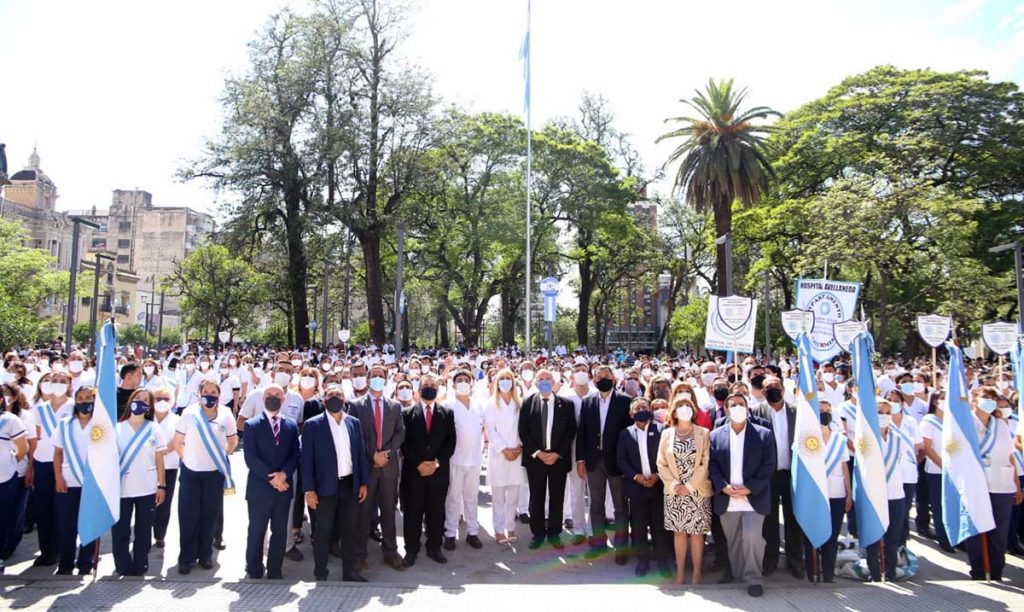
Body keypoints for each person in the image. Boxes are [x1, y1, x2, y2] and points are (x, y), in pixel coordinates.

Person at [709, 393, 776, 598]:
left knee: (752, 537)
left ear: (747, 408)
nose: (737, 407)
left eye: (741, 404)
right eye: (733, 405)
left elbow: (769, 465)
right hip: (727, 498)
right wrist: (722, 486)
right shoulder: (715, 435)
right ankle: (739, 575)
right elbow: (712, 464)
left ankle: (754, 578)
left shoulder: (763, 434)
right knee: (734, 541)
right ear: (726, 410)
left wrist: (750, 487)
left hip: (752, 498)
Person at [301, 384, 369, 582]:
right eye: (331, 395)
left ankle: (350, 572)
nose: (335, 398)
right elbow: (306, 460)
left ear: (344, 399)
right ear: (323, 400)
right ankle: (320, 573)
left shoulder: (353, 423)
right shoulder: (313, 425)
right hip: (324, 487)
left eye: (339, 394)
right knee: (323, 531)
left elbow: (360, 455)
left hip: (349, 485)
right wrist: (309, 490)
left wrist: (363, 483)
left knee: (350, 531)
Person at [173, 379, 238, 575]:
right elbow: (178, 441)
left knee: (209, 516)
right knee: (188, 516)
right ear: (200, 394)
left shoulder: (226, 414)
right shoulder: (189, 413)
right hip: (191, 473)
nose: (209, 395)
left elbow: (233, 441)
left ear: (219, 394)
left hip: (214, 474)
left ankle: (205, 555)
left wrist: (222, 457)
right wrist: (187, 459)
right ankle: (186, 558)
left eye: (213, 392)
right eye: (206, 391)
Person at [350, 364, 406, 571]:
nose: (377, 379)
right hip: (367, 466)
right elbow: (354, 434)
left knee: (389, 510)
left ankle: (390, 551)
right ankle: (359, 554)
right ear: (367, 379)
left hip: (388, 466)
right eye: (373, 375)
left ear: (386, 379)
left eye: (381, 376)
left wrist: (387, 453)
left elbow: (400, 432)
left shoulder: (395, 406)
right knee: (363, 511)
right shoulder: (356, 405)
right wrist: (373, 454)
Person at [964, 386, 1023, 581]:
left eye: (992, 398)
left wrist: (1016, 483)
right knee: (977, 529)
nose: (989, 401)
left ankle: (996, 570)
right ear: (975, 400)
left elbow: (1009, 456)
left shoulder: (1001, 425)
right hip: (975, 484)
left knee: (999, 531)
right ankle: (979, 570)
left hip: (1002, 483)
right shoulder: (965, 423)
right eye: (985, 397)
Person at [243, 383, 300, 580]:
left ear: (283, 399)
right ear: (262, 398)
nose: (273, 397)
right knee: (257, 530)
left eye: (277, 395)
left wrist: (283, 474)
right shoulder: (252, 425)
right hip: (260, 488)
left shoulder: (291, 425)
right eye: (269, 394)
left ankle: (275, 570)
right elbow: (251, 458)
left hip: (284, 488)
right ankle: (254, 569)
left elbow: (295, 453)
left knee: (280, 532)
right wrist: (274, 478)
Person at [400, 373, 456, 566]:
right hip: (414, 472)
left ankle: (434, 548)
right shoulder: (407, 413)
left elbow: (451, 443)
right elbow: (404, 443)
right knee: (412, 513)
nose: (429, 387)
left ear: (438, 389)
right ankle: (411, 550)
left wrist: (436, 463)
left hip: (438, 473)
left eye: (433, 385)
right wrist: (419, 464)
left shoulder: (447, 413)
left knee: (436, 512)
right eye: (426, 385)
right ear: (419, 389)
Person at [576, 364, 631, 561]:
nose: (603, 379)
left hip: (617, 461)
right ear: (594, 380)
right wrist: (580, 459)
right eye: (599, 376)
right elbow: (582, 431)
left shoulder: (625, 401)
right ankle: (598, 543)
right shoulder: (588, 401)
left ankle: (621, 546)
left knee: (620, 506)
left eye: (607, 375)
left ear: (614, 378)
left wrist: (627, 463)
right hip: (594, 460)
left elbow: (629, 435)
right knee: (596, 504)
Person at [657, 396, 712, 584]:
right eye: (680, 405)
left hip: (697, 491)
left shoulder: (703, 433)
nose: (684, 408)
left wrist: (689, 486)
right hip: (674, 492)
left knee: (697, 533)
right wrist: (675, 485)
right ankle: (680, 572)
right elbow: (661, 463)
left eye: (687, 405)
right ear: (673, 410)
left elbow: (705, 463)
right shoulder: (666, 434)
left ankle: (696, 572)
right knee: (679, 532)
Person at [519, 368, 576, 550]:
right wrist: (538, 452)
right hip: (536, 459)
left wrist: (557, 453)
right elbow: (523, 430)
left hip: (558, 458)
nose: (544, 381)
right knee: (536, 496)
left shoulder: (566, 404)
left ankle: (554, 534)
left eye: (548, 378)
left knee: (557, 497)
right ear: (536, 383)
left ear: (554, 382)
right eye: (540, 378)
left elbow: (570, 431)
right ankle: (537, 533)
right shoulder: (528, 402)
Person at [112, 389, 167, 576]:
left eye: (145, 400)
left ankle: (140, 564)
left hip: (147, 487)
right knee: (121, 530)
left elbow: (160, 460)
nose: (141, 402)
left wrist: (161, 485)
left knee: (143, 530)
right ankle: (122, 565)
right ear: (130, 400)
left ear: (149, 406)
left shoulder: (154, 428)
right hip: (122, 488)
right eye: (138, 398)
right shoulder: (117, 428)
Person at [754, 376, 804, 578]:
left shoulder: (796, 412)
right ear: (763, 392)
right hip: (769, 475)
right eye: (768, 388)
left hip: (793, 474)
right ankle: (770, 560)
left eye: (776, 386)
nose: (773, 390)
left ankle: (795, 561)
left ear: (783, 389)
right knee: (769, 521)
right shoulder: (756, 412)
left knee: (794, 519)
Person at [616, 397, 669, 578]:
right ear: (631, 414)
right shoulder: (625, 434)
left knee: (659, 526)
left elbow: (668, 456)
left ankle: (662, 561)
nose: (640, 410)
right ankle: (643, 560)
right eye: (637, 408)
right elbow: (621, 460)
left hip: (658, 485)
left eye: (644, 407)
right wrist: (636, 477)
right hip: (636, 487)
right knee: (638, 526)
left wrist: (657, 475)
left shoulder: (662, 430)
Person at [51, 386, 100, 575]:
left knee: (89, 525)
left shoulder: (101, 425)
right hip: (68, 481)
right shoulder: (64, 424)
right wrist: (58, 477)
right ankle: (65, 563)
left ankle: (85, 563)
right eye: (80, 398)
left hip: (91, 484)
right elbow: (58, 453)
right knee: (66, 525)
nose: (84, 402)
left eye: (88, 398)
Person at [27, 371, 73, 567]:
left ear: (69, 385)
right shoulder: (40, 409)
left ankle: (61, 550)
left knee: (61, 508)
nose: (58, 384)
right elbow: (35, 438)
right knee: (43, 508)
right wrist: (31, 465)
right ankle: (46, 550)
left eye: (63, 381)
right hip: (43, 461)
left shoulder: (73, 407)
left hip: (65, 464)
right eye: (55, 381)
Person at [804, 400, 851, 583]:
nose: (824, 414)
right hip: (815, 495)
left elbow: (845, 468)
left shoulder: (840, 440)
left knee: (832, 535)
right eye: (820, 410)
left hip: (836, 493)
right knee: (813, 535)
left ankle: (828, 574)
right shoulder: (807, 439)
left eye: (827, 411)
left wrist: (849, 493)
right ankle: (812, 572)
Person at [443, 369, 485, 551]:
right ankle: (450, 533)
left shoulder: (479, 405)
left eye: (466, 380)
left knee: (471, 497)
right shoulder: (447, 405)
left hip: (474, 459)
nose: (463, 383)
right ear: (453, 385)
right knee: (453, 498)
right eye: (459, 380)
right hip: (455, 459)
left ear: (471, 384)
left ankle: (472, 532)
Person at [865, 397, 907, 582]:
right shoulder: (867, 437)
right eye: (880, 412)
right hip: (874, 493)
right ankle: (874, 572)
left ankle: (890, 572)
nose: (884, 415)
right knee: (874, 537)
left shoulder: (898, 438)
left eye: (887, 412)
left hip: (896, 493)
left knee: (893, 538)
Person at [485, 368, 524, 545]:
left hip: (517, 453)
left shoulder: (519, 403)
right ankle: (499, 529)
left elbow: (523, 428)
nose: (506, 381)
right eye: (502, 378)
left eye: (509, 378)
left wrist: (519, 447)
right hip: (499, 454)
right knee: (498, 496)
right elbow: (490, 430)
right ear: (497, 382)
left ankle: (511, 526)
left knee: (514, 495)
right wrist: (504, 449)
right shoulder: (491, 404)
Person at [559, 360, 594, 544]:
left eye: (584, 369)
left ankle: (593, 529)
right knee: (576, 489)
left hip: (594, 449)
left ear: (589, 374)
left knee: (595, 491)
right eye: (577, 369)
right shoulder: (566, 397)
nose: (581, 372)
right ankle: (579, 529)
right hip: (572, 449)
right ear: (572, 375)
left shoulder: (596, 394)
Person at [919, 390, 954, 552]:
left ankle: (955, 537)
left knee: (952, 505)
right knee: (939, 506)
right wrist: (943, 465)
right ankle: (943, 538)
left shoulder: (953, 421)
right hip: (936, 471)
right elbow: (927, 448)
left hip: (954, 471)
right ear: (935, 401)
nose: (946, 401)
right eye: (943, 398)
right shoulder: (928, 421)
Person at [0, 387, 30, 570]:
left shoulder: (10, 420)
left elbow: (23, 448)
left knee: (3, 518)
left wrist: (9, 463)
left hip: (4, 480)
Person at [152, 387, 179, 549]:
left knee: (164, 502)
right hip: (148, 466)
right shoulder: (147, 418)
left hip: (169, 465)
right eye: (158, 398)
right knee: (147, 501)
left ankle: (160, 535)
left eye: (166, 398)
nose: (162, 402)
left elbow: (178, 439)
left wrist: (162, 452)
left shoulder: (177, 419)